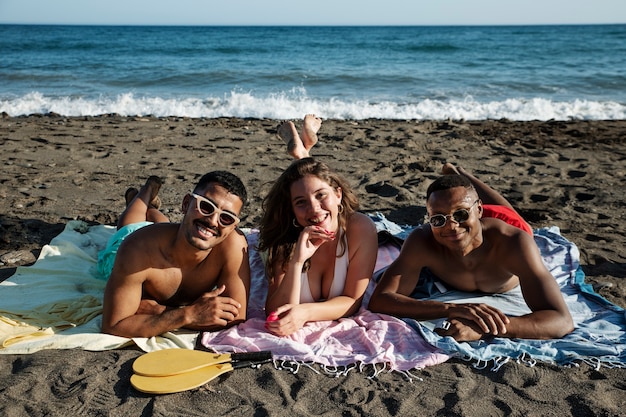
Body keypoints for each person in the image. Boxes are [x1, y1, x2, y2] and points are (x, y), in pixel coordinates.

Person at [369, 163, 574, 341]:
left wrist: (483, 329)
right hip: (475, 222)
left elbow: (561, 321)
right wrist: (451, 309)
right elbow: (381, 300)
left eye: (460, 214)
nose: (451, 226)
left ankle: (462, 173)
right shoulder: (422, 242)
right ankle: (458, 182)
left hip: (502, 221)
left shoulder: (514, 243)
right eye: (438, 219)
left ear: (479, 210)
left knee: (508, 212)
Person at [258, 114, 378, 336]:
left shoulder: (360, 228)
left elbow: (352, 300)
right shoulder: (285, 236)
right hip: (290, 240)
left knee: (307, 181)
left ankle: (301, 155)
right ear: (292, 210)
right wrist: (296, 262)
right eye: (300, 203)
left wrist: (304, 312)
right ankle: (301, 154)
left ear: (338, 195)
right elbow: (275, 312)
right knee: (307, 183)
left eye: (322, 196)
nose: (314, 209)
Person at [100, 171, 251, 338]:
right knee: (127, 225)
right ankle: (143, 193)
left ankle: (149, 206)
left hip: (173, 235)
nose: (213, 221)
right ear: (186, 203)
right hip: (132, 240)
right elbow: (113, 326)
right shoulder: (137, 248)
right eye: (206, 207)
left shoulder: (233, 245)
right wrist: (189, 315)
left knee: (167, 225)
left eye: (227, 218)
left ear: (232, 228)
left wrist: (160, 311)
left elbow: (236, 316)